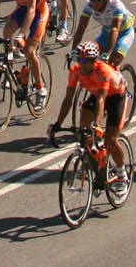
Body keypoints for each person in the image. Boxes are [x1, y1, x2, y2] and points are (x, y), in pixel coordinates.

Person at [49, 42, 129, 182]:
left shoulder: (103, 72)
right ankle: (91, 163)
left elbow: (101, 101)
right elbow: (68, 99)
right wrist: (58, 123)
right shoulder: (75, 72)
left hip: (116, 96)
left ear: (94, 61)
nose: (82, 64)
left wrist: (97, 125)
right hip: (96, 94)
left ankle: (121, 173)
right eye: (79, 60)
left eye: (85, 61)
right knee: (84, 131)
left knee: (110, 138)